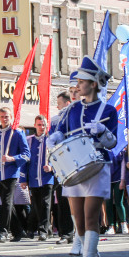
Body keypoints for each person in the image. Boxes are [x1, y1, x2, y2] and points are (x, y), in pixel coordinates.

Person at [48, 56, 117, 257]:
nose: (77, 86)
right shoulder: (71, 110)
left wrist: (102, 132)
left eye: (82, 82)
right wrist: (55, 137)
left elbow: (113, 143)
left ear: (93, 84)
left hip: (97, 167)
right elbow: (60, 133)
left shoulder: (108, 110)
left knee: (90, 218)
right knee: (78, 221)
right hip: (73, 169)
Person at [0, 107, 30, 242]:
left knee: (5, 202)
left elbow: (26, 154)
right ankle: (18, 231)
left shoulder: (17, 133)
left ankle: (3, 232)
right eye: (2, 116)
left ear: (11, 117)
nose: (5, 119)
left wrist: (13, 158)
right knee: (7, 204)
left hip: (11, 172)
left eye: (7, 116)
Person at [20, 115, 54, 241]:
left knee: (45, 204)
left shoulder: (50, 140)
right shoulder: (29, 140)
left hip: (47, 178)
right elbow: (25, 161)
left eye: (43, 125)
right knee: (36, 205)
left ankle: (43, 230)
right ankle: (41, 228)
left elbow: (57, 157)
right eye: (39, 125)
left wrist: (51, 167)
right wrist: (23, 179)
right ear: (35, 125)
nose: (41, 127)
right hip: (34, 178)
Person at [51, 92, 74, 245]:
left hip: (75, 162)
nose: (57, 106)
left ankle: (81, 231)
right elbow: (52, 141)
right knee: (62, 200)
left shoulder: (75, 117)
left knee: (77, 199)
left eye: (59, 103)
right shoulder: (54, 120)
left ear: (67, 103)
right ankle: (65, 232)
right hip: (61, 164)